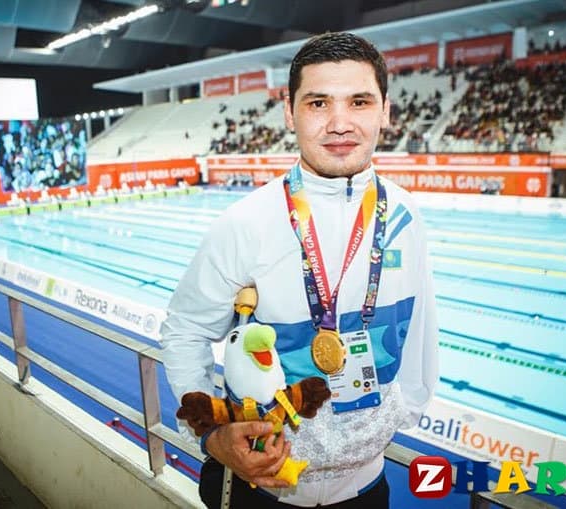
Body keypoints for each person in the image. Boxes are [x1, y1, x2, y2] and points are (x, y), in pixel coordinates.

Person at [161, 32, 438, 509]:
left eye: (359, 102)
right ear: (290, 113)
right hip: (258, 487)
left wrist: (395, 418)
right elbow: (185, 330)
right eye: (318, 103)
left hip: (366, 489)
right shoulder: (246, 222)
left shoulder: (405, 216)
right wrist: (212, 434)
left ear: (385, 111)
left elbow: (419, 334)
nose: (339, 123)